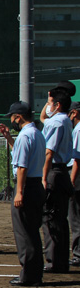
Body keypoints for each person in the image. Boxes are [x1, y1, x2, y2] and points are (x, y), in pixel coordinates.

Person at [0, 102, 46, 286]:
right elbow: (23, 156)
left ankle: (28, 275)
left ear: (18, 117)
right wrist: (9, 138)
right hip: (35, 185)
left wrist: (19, 192)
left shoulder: (25, 136)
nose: (11, 120)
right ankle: (34, 273)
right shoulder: (36, 134)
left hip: (26, 186)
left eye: (12, 117)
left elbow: (22, 166)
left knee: (24, 232)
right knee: (32, 231)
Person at [40, 88, 73, 273]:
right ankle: (61, 261)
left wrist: (43, 178)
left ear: (57, 105)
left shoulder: (56, 123)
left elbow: (48, 152)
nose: (48, 106)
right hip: (62, 173)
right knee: (60, 219)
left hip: (54, 172)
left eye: (51, 103)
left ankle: (54, 262)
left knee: (51, 219)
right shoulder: (65, 121)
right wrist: (50, 97)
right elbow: (45, 117)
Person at [69, 102, 80, 267]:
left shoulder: (78, 129)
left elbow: (77, 159)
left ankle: (78, 253)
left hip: (77, 176)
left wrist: (71, 181)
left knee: (75, 217)